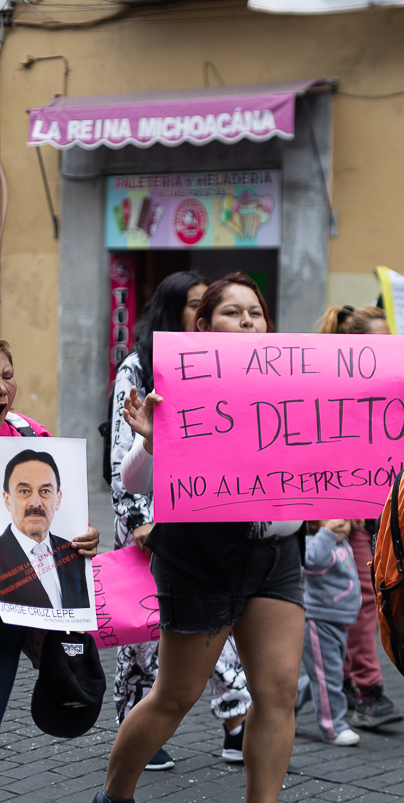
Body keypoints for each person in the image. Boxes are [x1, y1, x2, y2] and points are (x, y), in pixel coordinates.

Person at [96, 273, 306, 803]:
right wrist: (150, 440)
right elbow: (135, 480)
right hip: (200, 557)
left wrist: (397, 416)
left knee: (277, 694)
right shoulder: (176, 385)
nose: (247, 321)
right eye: (233, 312)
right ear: (203, 324)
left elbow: (341, 450)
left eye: (255, 313)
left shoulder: (298, 386)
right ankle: (115, 793)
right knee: (175, 696)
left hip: (276, 556)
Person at [107, 270, 251, 772]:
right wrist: (140, 521)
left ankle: (236, 719)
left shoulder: (244, 369)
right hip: (152, 522)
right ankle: (134, 719)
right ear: (176, 311)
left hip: (213, 524)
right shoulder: (138, 368)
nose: (201, 312)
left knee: (210, 632)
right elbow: (124, 459)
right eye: (195, 304)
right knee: (144, 630)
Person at [315, 303, 404, 729]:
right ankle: (366, 690)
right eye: (379, 344)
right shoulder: (324, 390)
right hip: (340, 516)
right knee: (356, 600)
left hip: (374, 512)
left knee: (360, 599)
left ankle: (332, 683)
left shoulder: (390, 392)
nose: (389, 351)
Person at [0, 339, 99, 725]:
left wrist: (82, 536)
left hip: (9, 612)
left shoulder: (29, 436)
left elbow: (58, 520)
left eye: (8, 376)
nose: (2, 389)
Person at [296, 519, 362, 746]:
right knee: (327, 677)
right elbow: (312, 560)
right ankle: (332, 726)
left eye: (344, 517)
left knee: (324, 674)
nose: (340, 522)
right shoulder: (314, 543)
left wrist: (354, 520)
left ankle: (288, 699)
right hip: (319, 621)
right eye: (333, 517)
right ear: (314, 522)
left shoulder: (341, 543)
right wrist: (325, 533)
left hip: (338, 621)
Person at [0, 449, 90, 609]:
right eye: (24, 491)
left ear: (58, 499)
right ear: (7, 499)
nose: (36, 503)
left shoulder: (75, 553)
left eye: (45, 491)